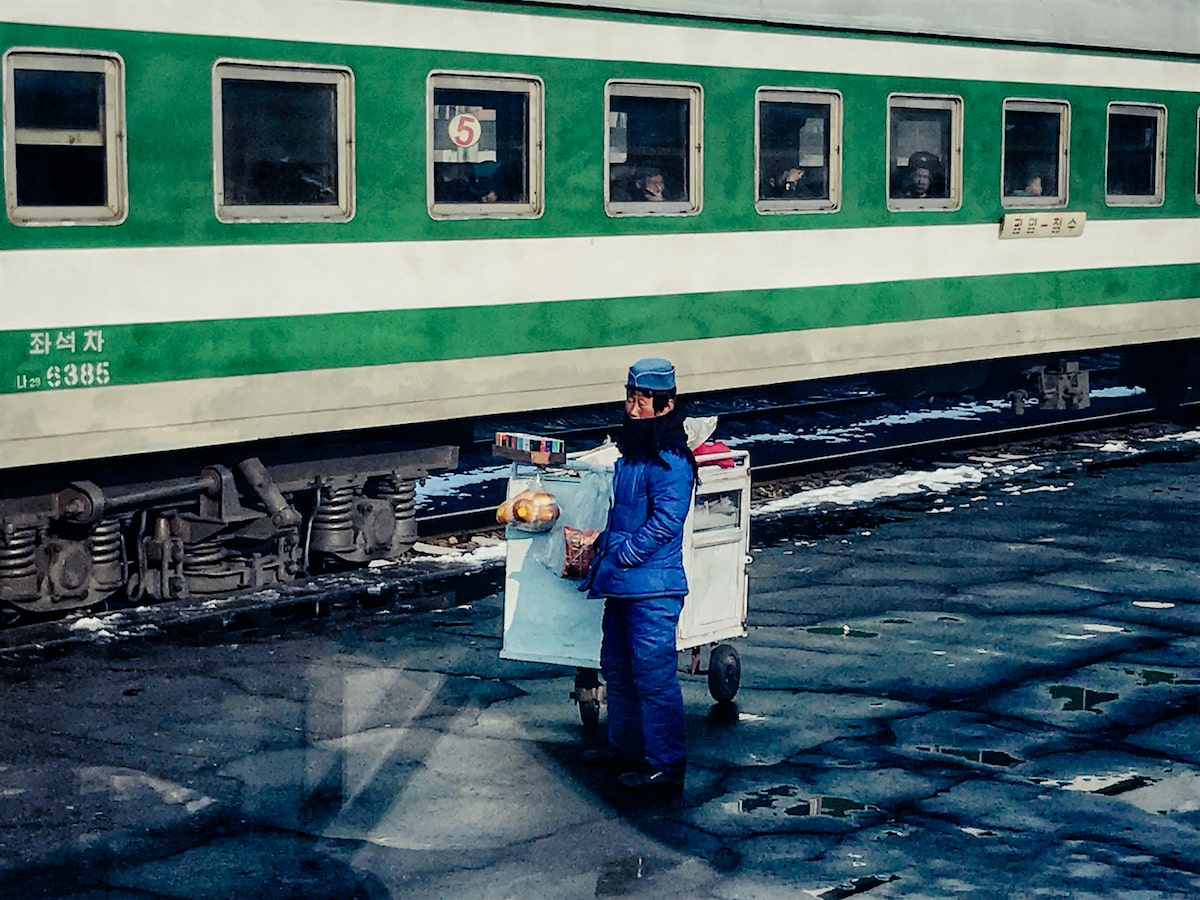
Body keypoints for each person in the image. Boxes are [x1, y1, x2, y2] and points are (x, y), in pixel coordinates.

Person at [582, 357, 698, 790]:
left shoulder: (671, 461)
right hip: (624, 582)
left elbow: (666, 523)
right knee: (616, 667)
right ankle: (625, 750)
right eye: (630, 398)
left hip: (654, 588)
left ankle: (666, 765)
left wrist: (623, 553)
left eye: (643, 401)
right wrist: (602, 543)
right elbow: (625, 513)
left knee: (652, 675)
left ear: (666, 406)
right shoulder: (633, 456)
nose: (633, 408)